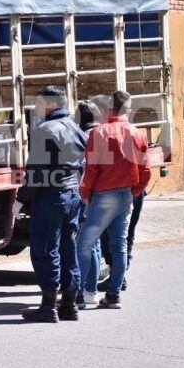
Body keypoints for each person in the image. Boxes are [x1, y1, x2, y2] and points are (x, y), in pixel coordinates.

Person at [15, 86, 87, 323]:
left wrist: (20, 200)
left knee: (46, 250)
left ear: (51, 104)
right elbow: (83, 165)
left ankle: (48, 307)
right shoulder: (76, 129)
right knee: (68, 249)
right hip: (71, 195)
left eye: (39, 103)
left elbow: (37, 172)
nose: (36, 108)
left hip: (50, 198)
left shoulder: (45, 130)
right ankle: (69, 304)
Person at [78, 91, 150, 309]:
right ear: (128, 109)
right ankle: (113, 295)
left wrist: (86, 195)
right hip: (125, 194)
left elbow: (92, 169)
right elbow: (145, 170)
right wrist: (134, 191)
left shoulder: (99, 133)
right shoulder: (138, 134)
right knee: (119, 245)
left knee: (85, 243)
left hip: (102, 194)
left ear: (110, 109)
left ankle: (79, 294)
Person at [74, 100, 103, 308]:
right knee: (95, 243)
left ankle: (84, 291)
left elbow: (83, 171)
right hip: (103, 194)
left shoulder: (83, 137)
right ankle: (91, 290)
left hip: (87, 196)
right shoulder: (103, 133)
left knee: (86, 245)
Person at [98, 190, 146, 292]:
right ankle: (118, 277)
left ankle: (117, 278)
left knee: (111, 235)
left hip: (121, 190)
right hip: (133, 191)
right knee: (125, 235)